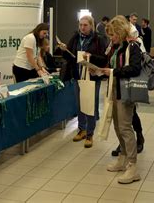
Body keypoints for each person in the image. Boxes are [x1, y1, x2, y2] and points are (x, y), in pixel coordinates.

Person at [100, 15, 142, 184]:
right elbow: (109, 63)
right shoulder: (116, 48)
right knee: (117, 126)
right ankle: (123, 157)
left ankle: (132, 166)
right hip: (114, 90)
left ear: (120, 32)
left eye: (112, 35)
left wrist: (113, 72)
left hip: (125, 92)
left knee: (125, 127)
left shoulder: (133, 46)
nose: (111, 38)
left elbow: (135, 69)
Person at [59, 16, 107, 148]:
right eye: (80, 25)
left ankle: (90, 133)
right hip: (77, 76)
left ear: (91, 25)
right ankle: (82, 129)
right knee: (80, 104)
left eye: (85, 25)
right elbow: (69, 57)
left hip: (92, 77)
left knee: (90, 105)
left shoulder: (99, 39)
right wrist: (64, 50)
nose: (82, 27)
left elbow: (104, 58)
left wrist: (90, 57)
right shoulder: (75, 38)